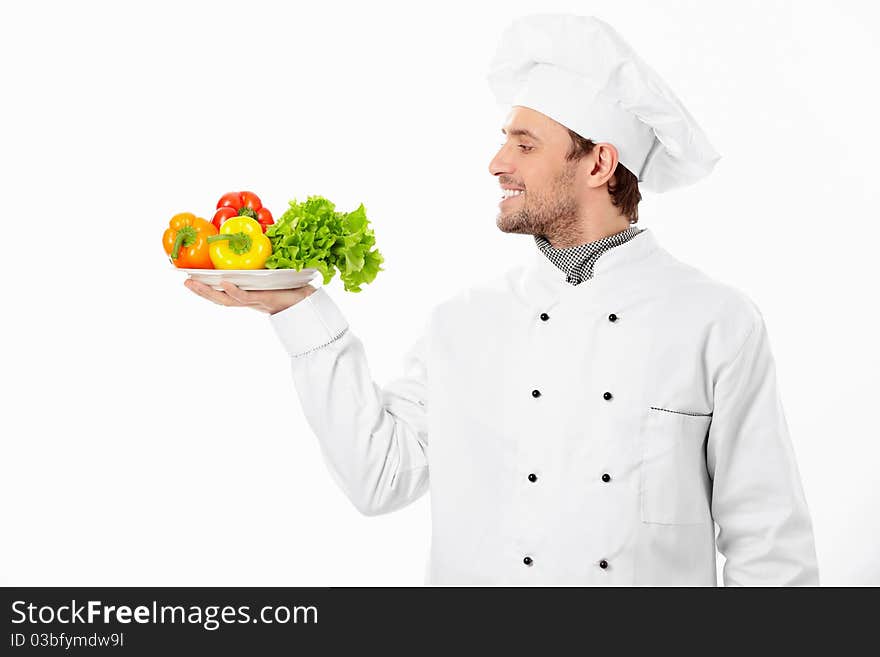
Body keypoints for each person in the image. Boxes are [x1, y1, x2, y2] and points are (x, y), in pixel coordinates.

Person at [184, 14, 819, 586]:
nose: (496, 162)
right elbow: (380, 479)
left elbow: (770, 548)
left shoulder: (715, 321)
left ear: (599, 163)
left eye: (524, 144)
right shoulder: (461, 322)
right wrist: (298, 312)